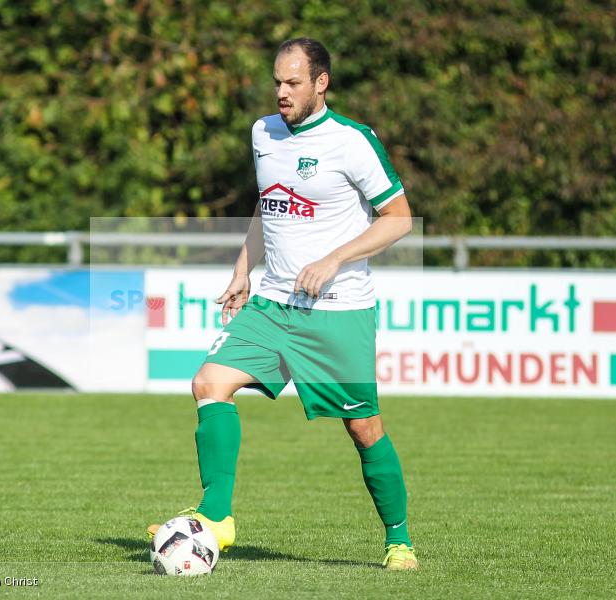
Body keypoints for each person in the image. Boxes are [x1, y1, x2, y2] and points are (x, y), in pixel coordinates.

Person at [148, 38, 418, 570]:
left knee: (364, 428)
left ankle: (399, 540)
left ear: (321, 83)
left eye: (293, 82)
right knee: (209, 383)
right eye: (277, 81)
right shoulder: (263, 133)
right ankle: (217, 516)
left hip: (339, 309)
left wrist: (334, 260)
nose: (281, 93)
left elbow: (399, 219)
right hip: (274, 303)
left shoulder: (352, 141)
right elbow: (270, 205)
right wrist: (242, 270)